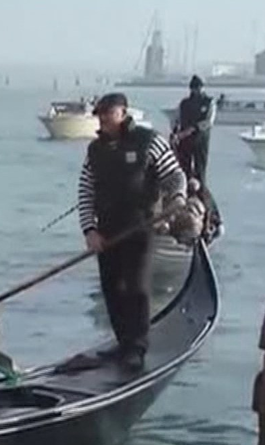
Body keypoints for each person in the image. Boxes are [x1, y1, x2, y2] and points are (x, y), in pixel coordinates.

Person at [76, 92, 187, 373]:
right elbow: (85, 192)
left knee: (135, 288)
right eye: (99, 114)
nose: (102, 119)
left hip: (141, 228)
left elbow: (174, 175)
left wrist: (176, 199)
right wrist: (90, 231)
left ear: (123, 113)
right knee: (111, 290)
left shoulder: (148, 141)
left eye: (108, 113)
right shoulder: (95, 151)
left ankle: (137, 347)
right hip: (107, 232)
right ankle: (123, 342)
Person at [171, 75, 215, 185]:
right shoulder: (184, 103)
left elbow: (208, 122)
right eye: (195, 88)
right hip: (185, 140)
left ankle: (200, 192)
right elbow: (175, 119)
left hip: (201, 140)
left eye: (199, 87)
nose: (197, 90)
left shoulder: (209, 102)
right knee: (184, 167)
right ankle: (184, 190)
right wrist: (175, 132)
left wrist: (193, 128)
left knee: (200, 168)